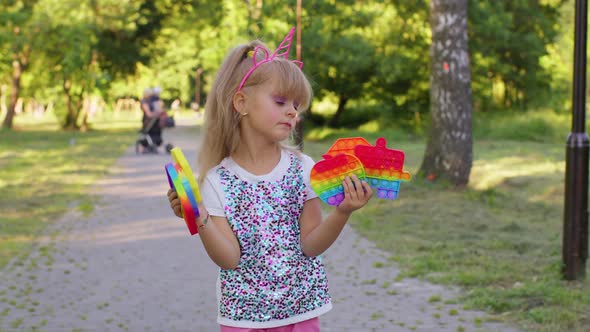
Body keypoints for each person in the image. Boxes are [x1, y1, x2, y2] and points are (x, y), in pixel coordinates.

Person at [166, 27, 373, 331]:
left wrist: (343, 212)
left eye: (296, 106)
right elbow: (229, 259)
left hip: (300, 313)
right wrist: (199, 216)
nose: (292, 112)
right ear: (241, 103)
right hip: (243, 319)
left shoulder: (303, 169)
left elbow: (311, 245)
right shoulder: (217, 181)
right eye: (280, 102)